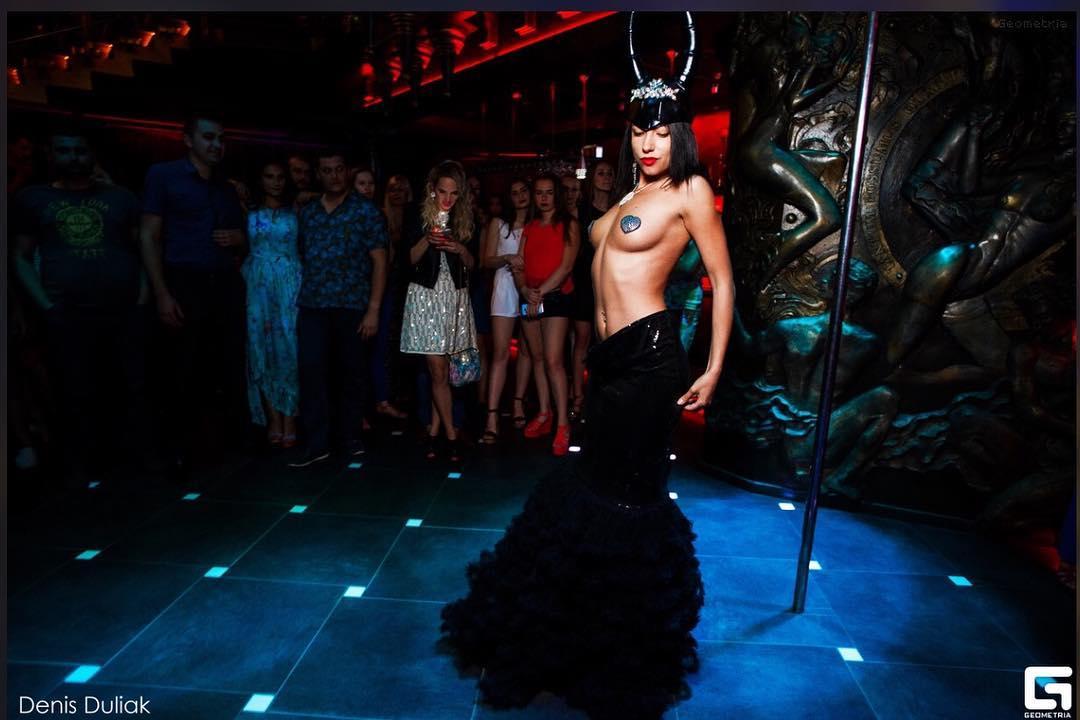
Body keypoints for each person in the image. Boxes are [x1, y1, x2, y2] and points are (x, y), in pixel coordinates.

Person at [441, 13, 734, 720]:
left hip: (652, 361)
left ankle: (622, 653)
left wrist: (714, 367)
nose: (649, 142)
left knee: (623, 501)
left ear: (681, 133)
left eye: (661, 131)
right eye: (639, 131)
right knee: (593, 491)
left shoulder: (689, 192)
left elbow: (724, 283)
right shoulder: (626, 198)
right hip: (608, 362)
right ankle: (570, 637)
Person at [13, 122, 148, 488]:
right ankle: (81, 467)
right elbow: (20, 256)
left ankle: (136, 462)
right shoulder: (33, 198)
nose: (73, 157)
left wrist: (142, 297)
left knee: (131, 386)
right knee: (75, 391)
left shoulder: (121, 197)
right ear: (51, 154)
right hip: (67, 311)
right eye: (65, 150)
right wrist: (46, 306)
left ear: (92, 154)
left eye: (80, 150)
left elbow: (142, 249)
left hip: (122, 309)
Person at [140, 112, 248, 482]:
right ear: (188, 140)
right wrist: (161, 293)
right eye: (208, 137)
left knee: (225, 367)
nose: (216, 144)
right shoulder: (164, 176)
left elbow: (242, 240)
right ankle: (178, 451)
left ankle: (224, 448)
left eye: (221, 138)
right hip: (184, 282)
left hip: (224, 284)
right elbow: (149, 236)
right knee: (181, 369)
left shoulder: (225, 187)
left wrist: (239, 239)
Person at [288, 148, 388, 468]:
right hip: (313, 304)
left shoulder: (365, 211)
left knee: (351, 374)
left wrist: (373, 309)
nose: (334, 175)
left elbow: (380, 261)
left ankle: (350, 437)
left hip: (352, 305)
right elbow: (301, 254)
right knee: (311, 372)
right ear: (319, 174)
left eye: (339, 169)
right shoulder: (309, 213)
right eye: (327, 170)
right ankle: (317, 443)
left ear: (346, 171)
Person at [400, 160, 478, 463]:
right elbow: (407, 260)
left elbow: (474, 264)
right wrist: (427, 239)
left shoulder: (465, 219)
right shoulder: (416, 215)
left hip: (455, 297)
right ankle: (451, 435)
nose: (448, 198)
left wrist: (460, 249)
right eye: (443, 191)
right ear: (433, 190)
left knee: (443, 371)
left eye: (454, 193)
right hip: (425, 298)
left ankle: (433, 431)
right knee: (436, 370)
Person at [516, 174, 579, 456]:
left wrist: (538, 293)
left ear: (557, 195)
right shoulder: (529, 227)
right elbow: (519, 265)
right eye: (539, 192)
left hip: (555, 297)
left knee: (554, 361)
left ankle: (563, 423)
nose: (543, 198)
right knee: (537, 358)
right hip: (530, 297)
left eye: (549, 192)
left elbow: (566, 267)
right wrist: (524, 289)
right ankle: (544, 413)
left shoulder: (569, 224)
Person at [241, 161, 301, 448]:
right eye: (269, 176)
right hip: (258, 286)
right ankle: (273, 419)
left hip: (290, 285)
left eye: (280, 177)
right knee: (260, 349)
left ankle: (290, 418)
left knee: (289, 350)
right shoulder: (247, 211)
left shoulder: (297, 209)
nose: (275, 182)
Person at [479, 178, 533, 444]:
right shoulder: (499, 224)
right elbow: (486, 260)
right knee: (501, 353)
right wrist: (507, 258)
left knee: (527, 350)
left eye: (524, 191)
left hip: (531, 288)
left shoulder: (537, 224)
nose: (520, 196)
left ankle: (518, 402)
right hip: (504, 287)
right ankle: (491, 416)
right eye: (515, 192)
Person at [570, 159, 615, 419]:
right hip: (585, 281)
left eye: (609, 173)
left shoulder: (619, 208)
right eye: (601, 173)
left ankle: (600, 397)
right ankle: (577, 398)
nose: (606, 177)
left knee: (606, 341)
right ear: (592, 178)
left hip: (610, 282)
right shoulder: (581, 210)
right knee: (582, 340)